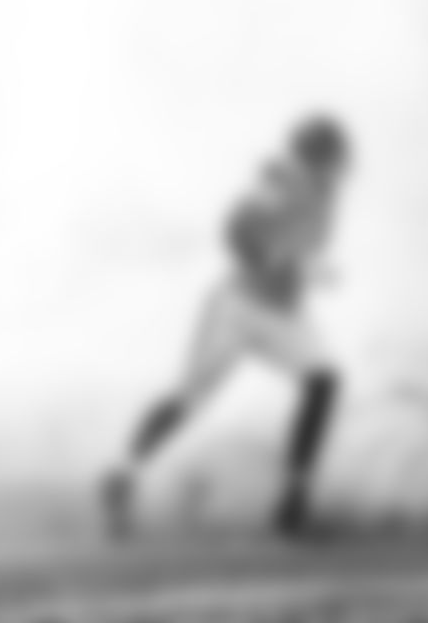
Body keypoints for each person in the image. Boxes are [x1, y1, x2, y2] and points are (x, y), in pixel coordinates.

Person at [101, 115, 352, 540]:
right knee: (187, 399)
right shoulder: (282, 181)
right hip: (236, 308)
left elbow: (302, 250)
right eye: (331, 157)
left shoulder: (326, 193)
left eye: (338, 158)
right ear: (313, 157)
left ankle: (294, 499)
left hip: (283, 312)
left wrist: (310, 268)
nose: (340, 166)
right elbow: (234, 227)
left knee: (324, 381)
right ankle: (122, 474)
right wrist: (270, 256)